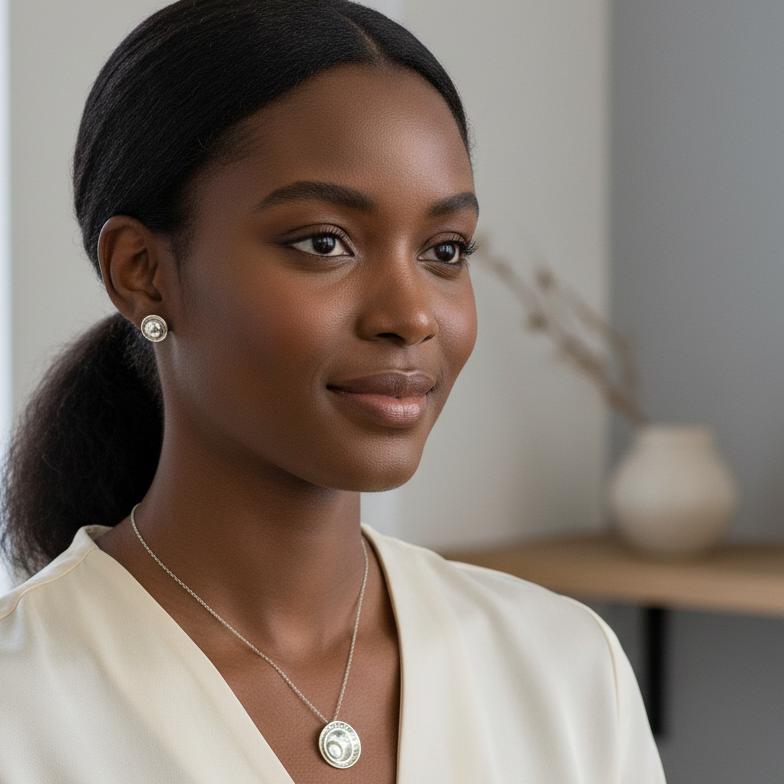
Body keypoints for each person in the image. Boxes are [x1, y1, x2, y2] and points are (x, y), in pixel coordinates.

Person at [0, 1, 666, 782]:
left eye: (445, 250)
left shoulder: (569, 673)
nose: (411, 315)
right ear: (142, 273)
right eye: (325, 243)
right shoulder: (22, 710)